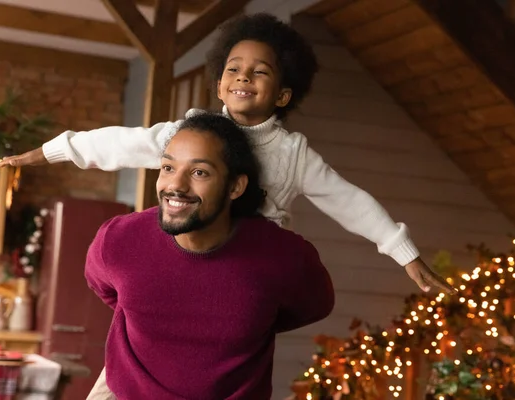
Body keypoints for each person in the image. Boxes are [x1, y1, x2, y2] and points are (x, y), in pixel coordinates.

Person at [0, 13, 455, 295]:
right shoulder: (187, 131)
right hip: (186, 255)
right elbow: (119, 142)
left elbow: (348, 200)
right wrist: (51, 152)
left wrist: (403, 252)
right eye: (233, 69)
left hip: (245, 272)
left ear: (282, 95)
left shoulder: (293, 154)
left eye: (260, 73)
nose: (243, 77)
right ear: (219, 83)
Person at [85, 113, 334, 399]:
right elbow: (105, 287)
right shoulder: (119, 239)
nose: (175, 185)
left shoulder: (284, 257)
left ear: (234, 187)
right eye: (167, 167)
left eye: (199, 172)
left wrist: (251, 318)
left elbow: (315, 305)